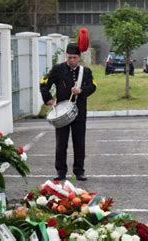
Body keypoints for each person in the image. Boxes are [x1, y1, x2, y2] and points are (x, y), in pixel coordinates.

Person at [40, 43, 96, 181]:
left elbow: (93, 86)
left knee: (79, 143)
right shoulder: (58, 69)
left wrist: (81, 90)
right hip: (61, 113)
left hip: (79, 112)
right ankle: (61, 171)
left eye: (74, 57)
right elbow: (44, 83)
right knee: (61, 143)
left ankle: (79, 171)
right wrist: (48, 99)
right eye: (69, 57)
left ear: (79, 58)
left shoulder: (86, 71)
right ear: (66, 56)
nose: (72, 60)